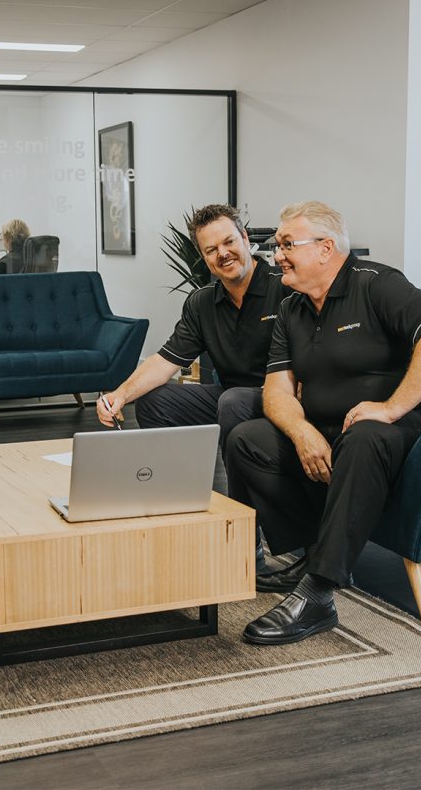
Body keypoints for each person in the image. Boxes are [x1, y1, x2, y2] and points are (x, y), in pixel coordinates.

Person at [226, 201, 421, 646]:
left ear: (325, 248)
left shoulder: (376, 284)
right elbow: (276, 389)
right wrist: (301, 432)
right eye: (276, 246)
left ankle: (319, 593)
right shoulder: (292, 308)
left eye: (286, 245)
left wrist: (391, 407)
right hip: (336, 424)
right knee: (247, 439)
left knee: (364, 436)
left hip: (415, 425)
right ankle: (317, 550)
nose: (276, 255)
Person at [96, 203, 287, 569]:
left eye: (229, 241)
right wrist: (119, 395)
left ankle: (248, 539)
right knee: (154, 400)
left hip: (281, 398)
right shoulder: (202, 303)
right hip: (231, 398)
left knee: (231, 402)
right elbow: (165, 361)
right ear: (203, 257)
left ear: (246, 239)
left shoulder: (284, 290)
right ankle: (182, 507)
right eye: (211, 250)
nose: (223, 254)